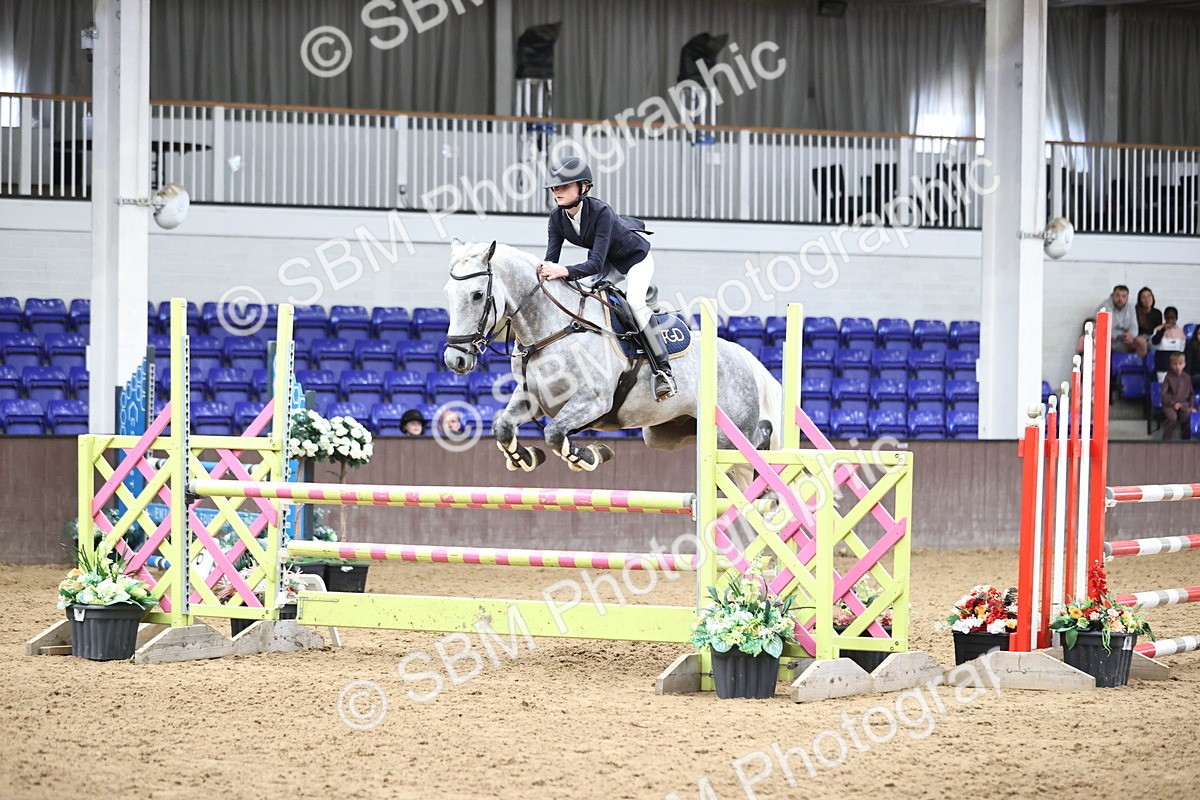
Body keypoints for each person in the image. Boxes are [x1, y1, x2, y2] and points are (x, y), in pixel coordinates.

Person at [537, 156, 676, 401]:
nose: (557, 192)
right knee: (584, 296)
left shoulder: (601, 212)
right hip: (609, 264)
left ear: (583, 187)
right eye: (555, 188)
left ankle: (663, 371)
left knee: (635, 303)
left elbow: (593, 264)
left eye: (564, 186)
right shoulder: (556, 218)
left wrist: (562, 271)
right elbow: (552, 262)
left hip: (635, 260)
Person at [1096, 284, 1146, 357]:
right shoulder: (1104, 307)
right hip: (1111, 339)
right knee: (1102, 341)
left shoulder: (1131, 307)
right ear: (1112, 296)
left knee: (1141, 342)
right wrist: (1120, 336)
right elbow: (1104, 330)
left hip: (1126, 339)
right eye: (1117, 295)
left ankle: (1140, 364)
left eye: (1123, 296)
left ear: (1127, 298)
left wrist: (1130, 335)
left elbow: (1134, 326)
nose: (1120, 299)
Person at [1160, 352, 1195, 441]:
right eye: (1175, 364)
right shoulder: (1168, 377)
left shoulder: (1187, 377)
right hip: (1169, 405)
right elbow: (1163, 394)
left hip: (1183, 404)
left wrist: (1191, 406)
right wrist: (1172, 404)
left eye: (1180, 364)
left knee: (1187, 415)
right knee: (1172, 418)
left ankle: (1185, 440)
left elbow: (1191, 394)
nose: (1178, 367)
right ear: (1171, 365)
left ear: (1184, 364)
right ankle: (1166, 440)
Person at [1151, 306, 1187, 378]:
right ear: (1164, 317)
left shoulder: (1181, 332)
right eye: (1168, 318)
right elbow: (1154, 341)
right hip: (1162, 363)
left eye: (1172, 318)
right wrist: (1163, 330)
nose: (1170, 320)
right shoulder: (1158, 329)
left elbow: (1182, 349)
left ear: (1176, 318)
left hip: (1176, 365)